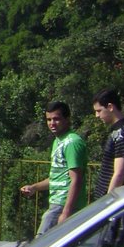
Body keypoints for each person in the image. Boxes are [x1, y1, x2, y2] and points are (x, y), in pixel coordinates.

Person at [20, 101, 88, 235]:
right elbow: (58, 178)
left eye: (56, 119)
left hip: (63, 205)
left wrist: (66, 213)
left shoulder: (71, 142)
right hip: (57, 203)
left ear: (67, 119)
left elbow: (76, 179)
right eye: (49, 119)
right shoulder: (58, 141)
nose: (52, 123)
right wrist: (34, 187)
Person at [91, 88, 124, 200]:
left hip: (119, 203)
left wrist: (108, 202)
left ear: (110, 107)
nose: (96, 115)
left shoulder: (121, 134)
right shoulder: (119, 131)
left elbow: (119, 173)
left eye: (99, 111)